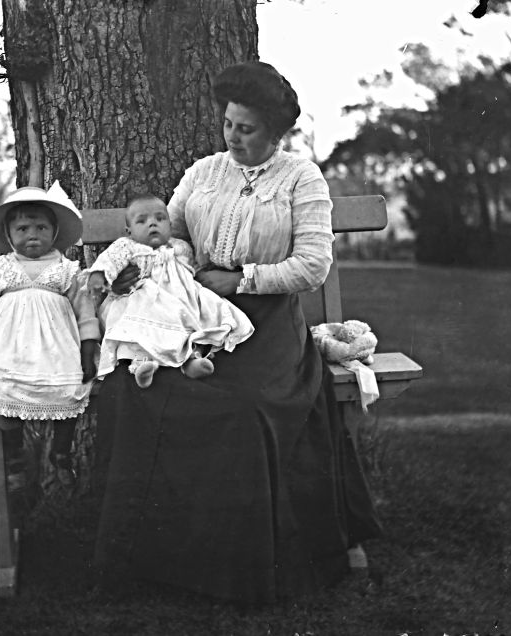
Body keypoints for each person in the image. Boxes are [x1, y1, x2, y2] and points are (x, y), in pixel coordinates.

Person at [93, 61, 383, 604]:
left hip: (268, 323)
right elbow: (174, 233)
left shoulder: (302, 178)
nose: (233, 137)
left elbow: (313, 265)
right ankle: (160, 558)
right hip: (194, 313)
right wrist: (162, 267)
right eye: (228, 124)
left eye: (245, 129)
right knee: (148, 390)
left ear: (275, 132)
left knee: (245, 410)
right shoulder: (205, 171)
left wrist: (242, 277)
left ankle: (243, 567)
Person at [0, 183, 99, 490]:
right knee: (5, 392)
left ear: (55, 231)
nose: (32, 234)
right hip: (10, 352)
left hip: (57, 353)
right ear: (9, 236)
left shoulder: (66, 270)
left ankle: (61, 453)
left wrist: (88, 351)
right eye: (22, 228)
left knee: (71, 389)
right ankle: (15, 459)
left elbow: (85, 314)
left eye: (41, 227)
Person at [86, 193, 254, 388]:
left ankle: (192, 359)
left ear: (170, 225)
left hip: (178, 300)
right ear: (129, 231)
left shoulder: (180, 247)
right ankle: (141, 365)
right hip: (144, 300)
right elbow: (109, 261)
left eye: (160, 219)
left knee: (195, 322)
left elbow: (192, 270)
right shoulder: (127, 247)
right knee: (138, 330)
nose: (152, 224)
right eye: (142, 221)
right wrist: (98, 277)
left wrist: (200, 284)